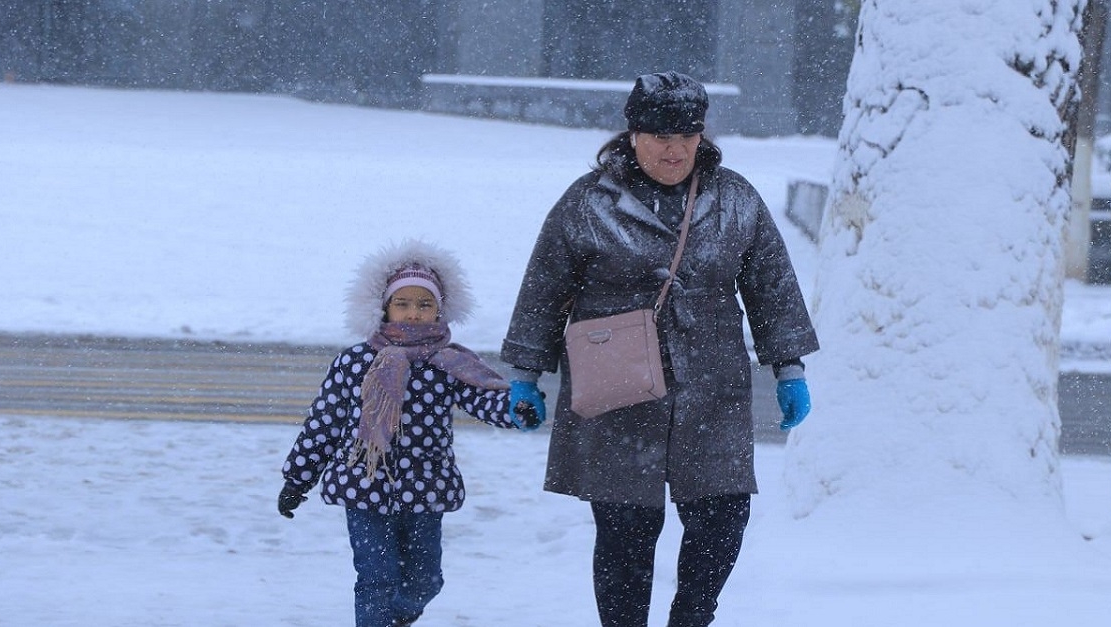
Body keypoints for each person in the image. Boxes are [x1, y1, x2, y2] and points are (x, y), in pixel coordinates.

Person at [501, 71, 819, 627]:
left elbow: (771, 283)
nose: (675, 150)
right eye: (660, 136)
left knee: (722, 518)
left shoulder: (734, 197)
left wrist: (787, 365)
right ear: (631, 134)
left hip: (711, 386)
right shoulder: (589, 201)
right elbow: (545, 288)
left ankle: (692, 617)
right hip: (618, 388)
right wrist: (526, 373)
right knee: (625, 531)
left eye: (687, 136)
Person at [277, 239, 546, 627]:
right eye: (403, 303)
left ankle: (395, 619)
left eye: (425, 305)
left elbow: (483, 398)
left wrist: (514, 410)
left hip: (425, 490)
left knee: (425, 581)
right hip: (364, 486)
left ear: (439, 310)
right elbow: (324, 423)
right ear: (385, 307)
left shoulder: (449, 362)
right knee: (376, 579)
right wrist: (297, 480)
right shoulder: (355, 362)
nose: (414, 313)